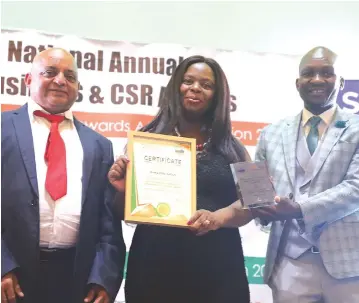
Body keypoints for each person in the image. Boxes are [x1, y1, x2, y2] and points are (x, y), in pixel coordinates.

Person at [204, 46, 359, 302]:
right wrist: (258, 210)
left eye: (326, 73)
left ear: (341, 82)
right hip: (289, 262)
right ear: (298, 83)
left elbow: (355, 189)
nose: (317, 79)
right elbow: (256, 195)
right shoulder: (271, 133)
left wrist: (298, 209)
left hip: (346, 263)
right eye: (309, 73)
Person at [108, 55, 253, 303]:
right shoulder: (145, 140)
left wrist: (217, 218)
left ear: (217, 96)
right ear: (177, 87)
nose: (196, 88)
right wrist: (122, 190)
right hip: (154, 266)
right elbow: (122, 212)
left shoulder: (235, 147)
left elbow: (254, 203)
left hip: (219, 269)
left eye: (206, 85)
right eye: (188, 81)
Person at [1, 48, 126, 303]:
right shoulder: (3, 129)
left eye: (69, 76)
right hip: (11, 278)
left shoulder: (100, 145)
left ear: (78, 87)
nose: (60, 80)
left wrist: (103, 278)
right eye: (50, 72)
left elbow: (108, 224)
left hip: (76, 282)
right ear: (28, 80)